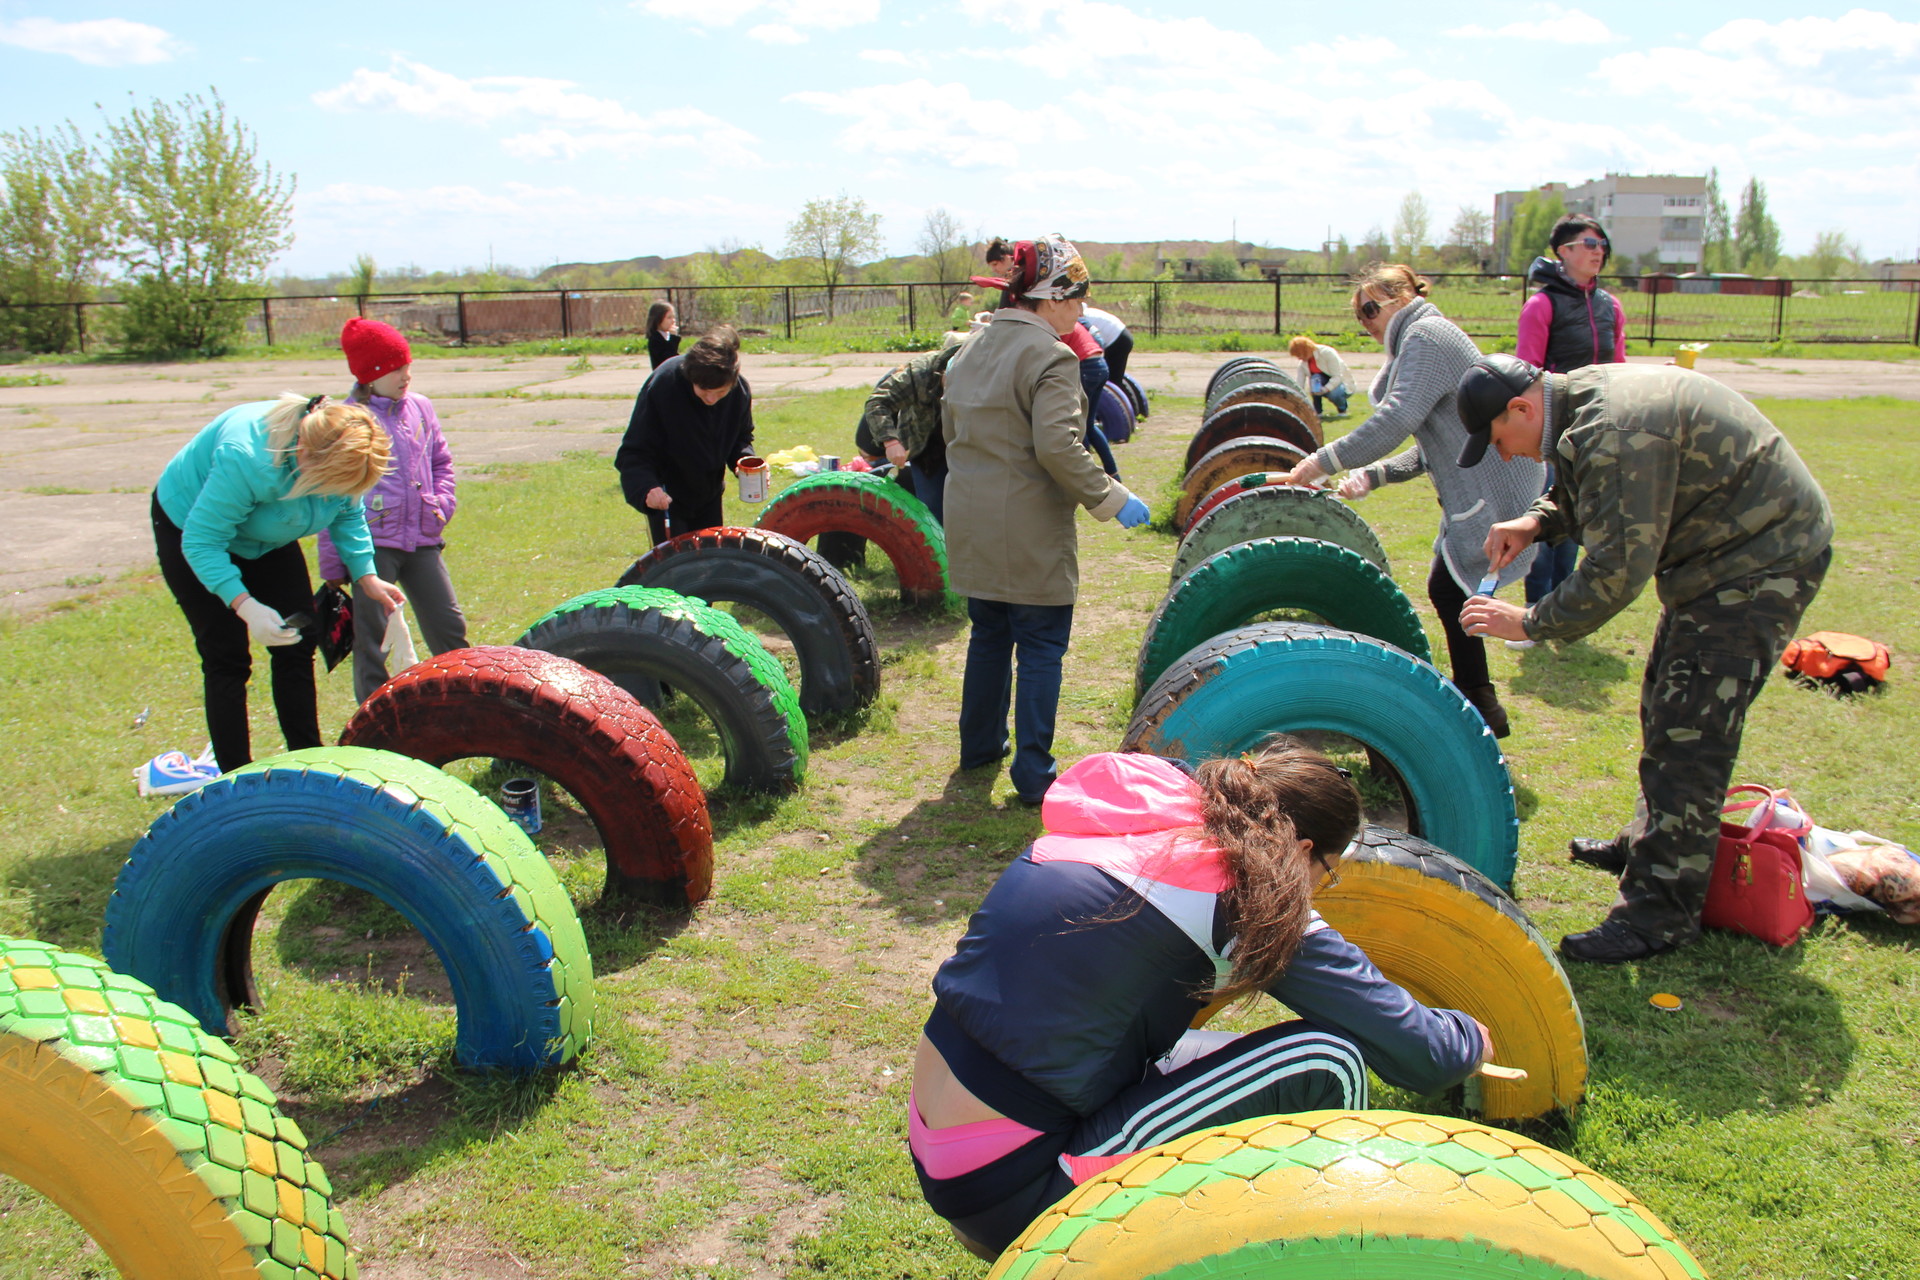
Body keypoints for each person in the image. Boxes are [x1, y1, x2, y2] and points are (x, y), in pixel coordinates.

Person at [911, 740, 1492, 1260]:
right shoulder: (1251, 888)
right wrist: (1470, 1035)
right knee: (1326, 1061)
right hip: (1021, 1192)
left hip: (948, 1152)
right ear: (1303, 849)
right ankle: (1325, 1258)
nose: (1318, 890)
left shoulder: (1139, 817)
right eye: (1327, 874)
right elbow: (1424, 1055)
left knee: (1212, 1054)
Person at [1455, 353, 1833, 963]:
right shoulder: (1581, 407)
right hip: (1719, 564)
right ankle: (1651, 845)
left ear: (1522, 408)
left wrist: (1528, 621)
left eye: (1500, 439)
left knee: (1690, 735)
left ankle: (1659, 915)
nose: (1505, 455)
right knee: (1666, 702)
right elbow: (1589, 492)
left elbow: (1616, 568)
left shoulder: (1614, 429)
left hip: (1760, 564)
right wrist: (1533, 521)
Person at [1275, 264, 1542, 738]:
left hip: (1497, 477)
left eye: (1373, 307)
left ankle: (1481, 703)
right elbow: (1435, 443)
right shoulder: (1421, 338)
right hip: (1486, 477)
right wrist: (1374, 475)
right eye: (1360, 314)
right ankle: (1481, 702)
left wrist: (1321, 462)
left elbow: (1397, 420)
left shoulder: (1426, 335)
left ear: (1403, 297)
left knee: (1449, 589)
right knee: (1450, 589)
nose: (1368, 320)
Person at [943, 234, 1150, 804]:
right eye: (1078, 297)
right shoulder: (1051, 356)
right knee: (1039, 645)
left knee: (988, 634)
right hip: (1028, 528)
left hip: (970, 521)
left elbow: (953, 438)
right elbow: (1060, 449)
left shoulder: (968, 351)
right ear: (1052, 296)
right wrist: (1111, 498)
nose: (1082, 310)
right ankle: (1035, 774)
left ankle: (980, 746)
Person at [153, 393, 405, 773]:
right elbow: (202, 541)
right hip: (192, 530)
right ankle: (235, 779)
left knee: (298, 641)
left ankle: (306, 761)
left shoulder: (343, 455)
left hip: (269, 536)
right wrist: (244, 605)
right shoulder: (245, 458)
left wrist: (367, 576)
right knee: (227, 658)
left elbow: (348, 515)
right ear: (305, 454)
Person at [318, 319, 469, 704]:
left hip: (422, 538)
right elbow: (331, 496)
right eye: (395, 367)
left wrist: (442, 503)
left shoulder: (420, 407)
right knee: (374, 639)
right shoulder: (347, 419)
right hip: (371, 547)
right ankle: (374, 718)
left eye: (407, 364)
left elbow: (441, 461)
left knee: (449, 627)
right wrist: (334, 566)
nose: (407, 374)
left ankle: (466, 701)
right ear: (371, 375)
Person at [1508, 216, 1627, 646]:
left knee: (1579, 525)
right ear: (1563, 251)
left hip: (1600, 433)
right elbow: (1527, 375)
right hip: (1556, 432)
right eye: (1589, 243)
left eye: (1603, 244)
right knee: (1545, 525)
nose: (1599, 251)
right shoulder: (1542, 306)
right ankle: (1531, 618)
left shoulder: (1610, 306)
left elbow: (1619, 370)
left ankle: (1561, 617)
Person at [616, 325, 755, 546]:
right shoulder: (664, 385)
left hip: (708, 492)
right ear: (691, 377)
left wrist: (744, 462)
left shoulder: (739, 391)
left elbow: (740, 437)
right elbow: (634, 451)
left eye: (720, 393)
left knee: (710, 558)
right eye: (703, 391)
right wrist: (645, 489)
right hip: (667, 496)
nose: (711, 399)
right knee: (674, 567)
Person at [855, 342, 964, 523]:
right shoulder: (921, 372)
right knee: (933, 515)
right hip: (928, 450)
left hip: (967, 448)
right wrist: (890, 441)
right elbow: (877, 403)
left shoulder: (988, 371)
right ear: (943, 375)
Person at [1058, 315, 1120, 478]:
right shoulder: (1068, 320)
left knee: (1079, 425)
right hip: (1099, 364)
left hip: (1086, 366)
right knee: (1088, 424)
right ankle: (1112, 472)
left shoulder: (1055, 324)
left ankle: (1085, 474)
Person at [1288, 333, 1352, 417]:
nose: (1299, 358)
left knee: (1334, 394)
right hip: (1319, 384)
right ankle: (1318, 412)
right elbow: (1300, 383)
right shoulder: (1303, 364)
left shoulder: (1327, 353)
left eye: (1299, 355)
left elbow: (1337, 376)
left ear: (1306, 351)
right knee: (1315, 380)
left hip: (1339, 383)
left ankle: (1342, 409)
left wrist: (1325, 389)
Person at [1080, 303, 1133, 389]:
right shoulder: (1086, 313)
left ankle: (1116, 400)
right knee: (1113, 379)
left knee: (1111, 383)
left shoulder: (1080, 318)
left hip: (1118, 340)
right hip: (1120, 335)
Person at [645, 300, 681, 370]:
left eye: (674, 317)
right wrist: (673, 338)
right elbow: (669, 358)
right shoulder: (655, 339)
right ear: (658, 320)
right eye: (669, 317)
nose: (673, 320)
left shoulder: (667, 335)